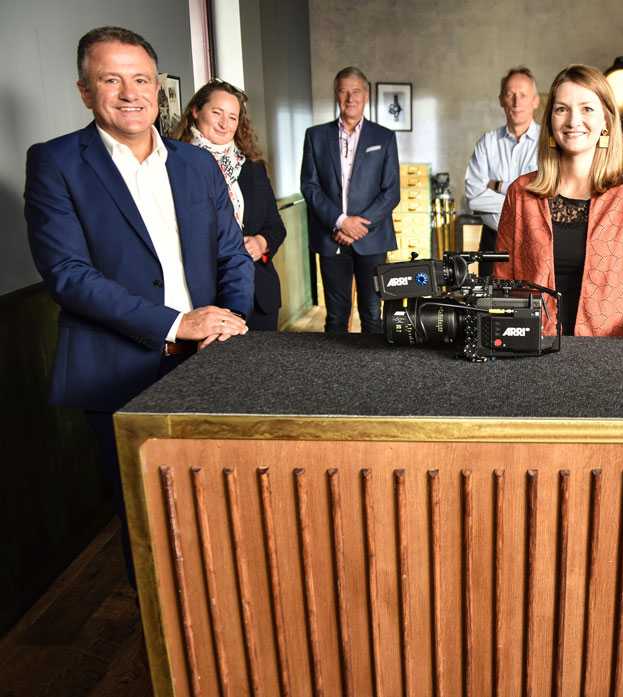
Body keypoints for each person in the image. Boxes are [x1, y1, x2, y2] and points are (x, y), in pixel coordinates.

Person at [24, 26, 253, 580]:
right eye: (111, 79)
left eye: (141, 79)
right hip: (116, 366)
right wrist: (177, 323)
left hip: (211, 359)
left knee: (222, 507)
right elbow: (68, 276)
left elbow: (233, 256)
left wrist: (233, 321)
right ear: (84, 90)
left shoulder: (198, 165)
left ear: (160, 89)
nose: (130, 92)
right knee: (145, 523)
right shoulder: (55, 163)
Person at [494, 64, 623, 342]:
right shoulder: (521, 193)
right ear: (551, 120)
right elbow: (503, 276)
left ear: (606, 120)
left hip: (605, 353)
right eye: (561, 109)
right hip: (530, 348)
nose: (572, 120)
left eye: (587, 109)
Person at [174, 79, 287, 330]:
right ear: (196, 111)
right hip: (200, 299)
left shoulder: (253, 167)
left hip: (258, 295)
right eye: (217, 113)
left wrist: (261, 243)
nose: (225, 124)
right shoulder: (172, 164)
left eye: (233, 117)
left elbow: (275, 226)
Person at [301, 66, 400, 334]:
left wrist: (358, 227)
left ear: (366, 95)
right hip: (330, 236)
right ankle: (335, 374)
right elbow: (309, 187)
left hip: (372, 239)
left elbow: (391, 192)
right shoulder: (315, 136)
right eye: (344, 91)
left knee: (372, 314)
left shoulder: (384, 137)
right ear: (336, 95)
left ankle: (370, 375)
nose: (350, 98)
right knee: (335, 316)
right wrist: (341, 222)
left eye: (355, 91)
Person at [464, 66, 541, 276]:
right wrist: (525, 201)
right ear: (501, 99)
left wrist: (498, 186)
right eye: (510, 94)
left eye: (523, 95)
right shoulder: (487, 143)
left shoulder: (548, 145)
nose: (517, 102)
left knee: (533, 305)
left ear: (535, 101)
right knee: (486, 305)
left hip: (536, 241)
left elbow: (549, 195)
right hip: (493, 241)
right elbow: (474, 197)